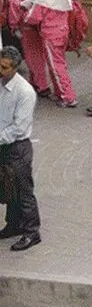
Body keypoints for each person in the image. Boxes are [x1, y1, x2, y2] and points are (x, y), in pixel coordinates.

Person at [0, 46, 41, 251]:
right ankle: (14, 225)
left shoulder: (24, 92)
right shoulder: (2, 83)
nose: (1, 70)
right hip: (3, 144)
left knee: (24, 191)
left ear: (15, 68)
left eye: (5, 68)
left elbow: (19, 127)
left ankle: (32, 232)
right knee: (9, 188)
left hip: (17, 147)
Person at [21, 0, 77, 108]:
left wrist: (25, 9)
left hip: (50, 36)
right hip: (62, 33)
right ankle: (61, 92)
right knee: (60, 64)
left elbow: (32, 18)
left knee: (56, 66)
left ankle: (67, 97)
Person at [7, 0, 48, 96]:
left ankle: (42, 86)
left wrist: (14, 26)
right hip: (39, 23)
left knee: (32, 56)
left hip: (25, 26)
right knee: (38, 54)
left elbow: (14, 6)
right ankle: (36, 82)